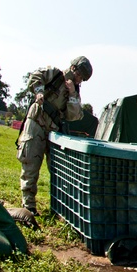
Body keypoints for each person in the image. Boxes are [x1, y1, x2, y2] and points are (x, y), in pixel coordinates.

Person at [16, 56, 92, 214]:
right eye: (79, 76)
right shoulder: (55, 74)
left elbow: (75, 115)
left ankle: (59, 208)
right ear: (73, 69)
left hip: (54, 131)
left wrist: (72, 92)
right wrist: (38, 92)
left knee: (58, 170)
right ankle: (29, 206)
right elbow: (35, 76)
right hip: (36, 122)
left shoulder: (75, 92)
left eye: (82, 79)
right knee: (31, 164)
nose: (79, 81)